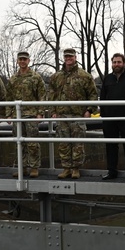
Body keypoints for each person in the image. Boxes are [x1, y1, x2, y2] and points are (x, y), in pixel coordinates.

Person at [49, 48, 97, 179]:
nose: (68, 59)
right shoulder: (56, 76)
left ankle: (76, 169)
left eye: (71, 56)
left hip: (78, 115)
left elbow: (93, 94)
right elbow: (51, 94)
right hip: (62, 115)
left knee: (78, 144)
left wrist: (89, 110)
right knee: (63, 144)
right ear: (63, 58)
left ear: (75, 57)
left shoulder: (84, 75)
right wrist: (53, 111)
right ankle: (66, 168)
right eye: (66, 57)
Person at [6, 50, 47, 178]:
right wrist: (9, 114)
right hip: (17, 116)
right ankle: (21, 167)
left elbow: (42, 95)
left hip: (31, 114)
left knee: (32, 142)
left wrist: (40, 113)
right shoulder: (13, 79)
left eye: (25, 59)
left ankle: (34, 167)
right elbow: (8, 97)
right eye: (20, 59)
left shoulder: (35, 77)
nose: (22, 61)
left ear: (29, 61)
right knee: (19, 143)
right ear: (17, 61)